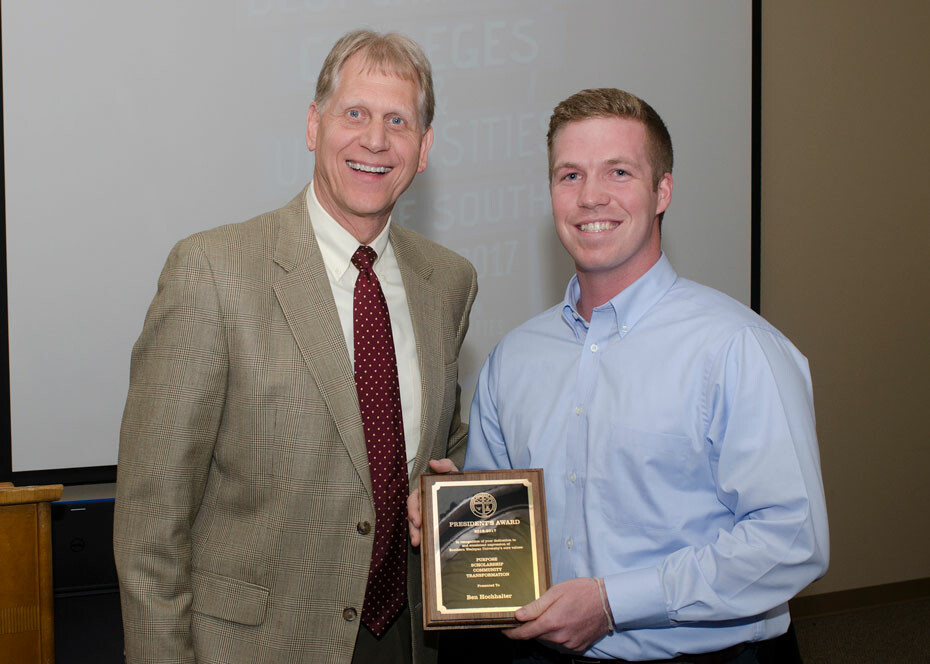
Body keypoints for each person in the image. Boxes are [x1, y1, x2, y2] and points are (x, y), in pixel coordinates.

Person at [114, 30, 477, 664]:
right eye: (355, 113)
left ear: (424, 149)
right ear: (314, 126)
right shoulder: (214, 270)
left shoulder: (447, 281)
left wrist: (447, 488)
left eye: (399, 121)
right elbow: (150, 526)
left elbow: (439, 448)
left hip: (406, 641)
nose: (375, 139)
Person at [461, 88, 829, 662]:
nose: (590, 197)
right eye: (569, 175)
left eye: (619, 172)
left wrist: (614, 602)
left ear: (663, 191)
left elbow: (790, 540)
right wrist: (450, 516)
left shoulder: (737, 348)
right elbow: (496, 533)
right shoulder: (513, 358)